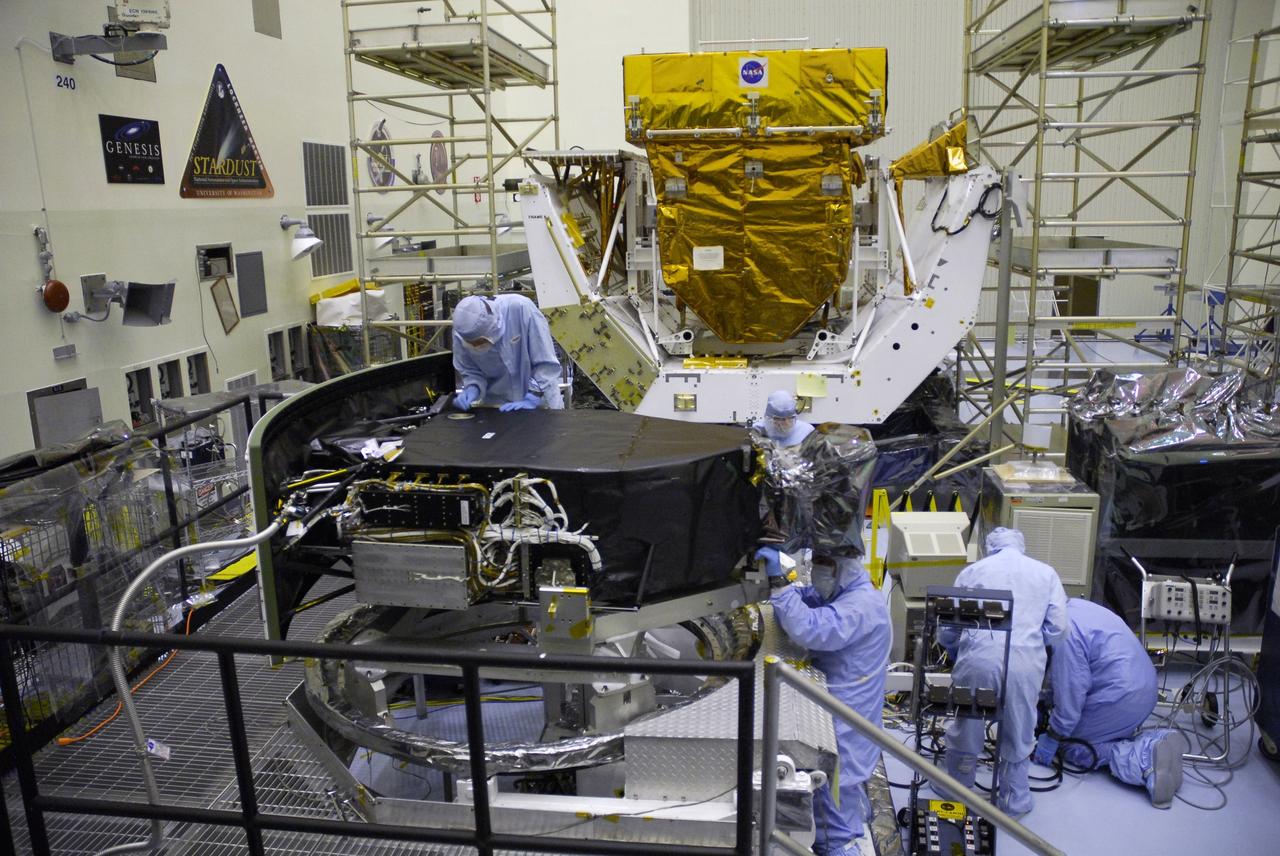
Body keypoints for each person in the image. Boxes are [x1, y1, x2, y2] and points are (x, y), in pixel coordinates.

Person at [756, 545, 891, 856]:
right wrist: (786, 590)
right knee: (841, 799)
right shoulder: (847, 590)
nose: (815, 568)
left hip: (844, 724)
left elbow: (810, 629)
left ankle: (842, 847)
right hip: (844, 713)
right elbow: (811, 600)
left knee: (835, 820)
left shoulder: (860, 606)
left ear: (840, 566)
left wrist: (779, 585)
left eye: (821, 562)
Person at [940, 527, 1067, 817]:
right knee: (1019, 728)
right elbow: (1058, 630)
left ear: (991, 547)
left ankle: (957, 792)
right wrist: (1031, 642)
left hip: (978, 659)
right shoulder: (1046, 574)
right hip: (1024, 662)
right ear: (1021, 546)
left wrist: (954, 648)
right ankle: (1015, 799)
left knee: (967, 724)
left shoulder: (973, 572)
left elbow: (948, 625)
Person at [1031, 598, 1188, 808]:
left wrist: (1053, 736)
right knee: (1098, 730)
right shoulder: (1077, 607)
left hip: (1120, 698)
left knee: (1073, 745)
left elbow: (1071, 697)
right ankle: (1159, 741)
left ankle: (1144, 759)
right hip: (1145, 689)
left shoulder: (1062, 633)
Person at [451, 294, 564, 412]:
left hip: (540, 402)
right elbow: (470, 370)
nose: (477, 346)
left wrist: (534, 395)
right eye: (473, 344)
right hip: (498, 406)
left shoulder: (521, 308)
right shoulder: (462, 333)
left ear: (493, 328)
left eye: (480, 342)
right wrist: (473, 387)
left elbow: (546, 363)